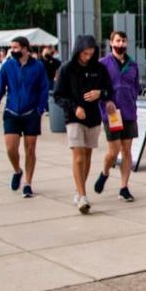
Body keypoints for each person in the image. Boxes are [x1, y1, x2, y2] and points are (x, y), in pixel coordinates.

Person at [54, 35, 115, 214]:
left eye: (91, 53)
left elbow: (109, 91)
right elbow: (58, 95)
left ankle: (80, 189)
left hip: (93, 117)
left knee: (87, 155)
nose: (87, 57)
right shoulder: (66, 69)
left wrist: (100, 94)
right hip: (73, 117)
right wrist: (74, 108)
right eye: (85, 53)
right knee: (78, 155)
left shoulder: (100, 68)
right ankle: (82, 196)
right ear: (78, 51)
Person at [0, 36, 49, 198]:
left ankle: (28, 183)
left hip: (31, 114)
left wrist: (40, 109)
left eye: (15, 48)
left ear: (25, 48)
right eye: (11, 48)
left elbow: (44, 89)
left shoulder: (38, 67)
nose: (12, 51)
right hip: (12, 112)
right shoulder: (8, 66)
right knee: (10, 148)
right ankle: (17, 170)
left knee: (30, 149)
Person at [94, 31, 140, 202]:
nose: (121, 44)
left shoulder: (133, 65)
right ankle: (105, 172)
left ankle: (124, 187)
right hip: (112, 113)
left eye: (124, 41)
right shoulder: (103, 64)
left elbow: (136, 87)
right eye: (118, 41)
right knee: (113, 152)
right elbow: (97, 88)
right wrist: (105, 102)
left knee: (127, 150)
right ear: (111, 42)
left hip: (129, 112)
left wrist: (132, 99)